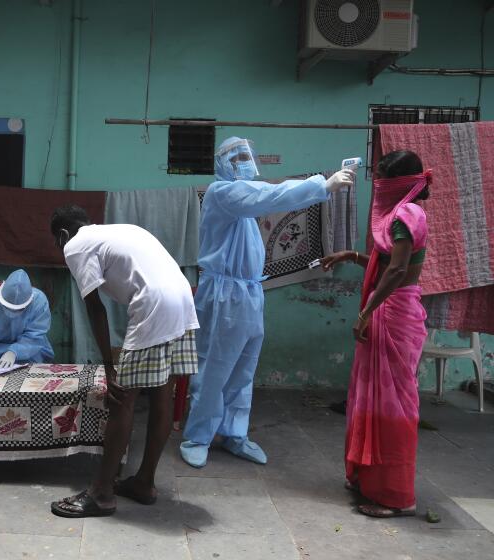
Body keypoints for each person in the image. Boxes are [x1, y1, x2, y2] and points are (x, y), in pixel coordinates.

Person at [180, 137, 355, 467]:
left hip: (249, 292)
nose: (246, 161)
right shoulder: (223, 194)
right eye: (238, 157)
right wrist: (322, 185)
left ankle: (235, 433)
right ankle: (198, 436)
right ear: (223, 164)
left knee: (244, 368)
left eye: (247, 155)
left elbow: (261, 199)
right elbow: (269, 195)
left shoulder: (243, 205)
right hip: (224, 294)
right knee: (215, 367)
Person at [48, 205, 199, 518]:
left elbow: (95, 307)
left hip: (154, 304)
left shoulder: (75, 244)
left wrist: (108, 365)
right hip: (183, 298)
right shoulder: (121, 230)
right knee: (161, 394)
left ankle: (101, 493)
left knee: (121, 399)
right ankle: (144, 483)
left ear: (62, 234)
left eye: (57, 242)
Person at [321, 150, 430, 518]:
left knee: (391, 405)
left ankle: (395, 495)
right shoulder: (407, 215)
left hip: (394, 314)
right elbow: (389, 265)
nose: (376, 184)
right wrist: (352, 256)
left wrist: (366, 312)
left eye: (381, 177)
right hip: (393, 309)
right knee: (371, 399)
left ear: (395, 183)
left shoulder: (403, 216)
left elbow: (397, 271)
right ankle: (370, 479)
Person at [0, 269, 54, 366]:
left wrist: (14, 352)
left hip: (30, 350)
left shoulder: (39, 302)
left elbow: (35, 336)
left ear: (29, 302)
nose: (12, 313)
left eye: (19, 309)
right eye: (7, 307)